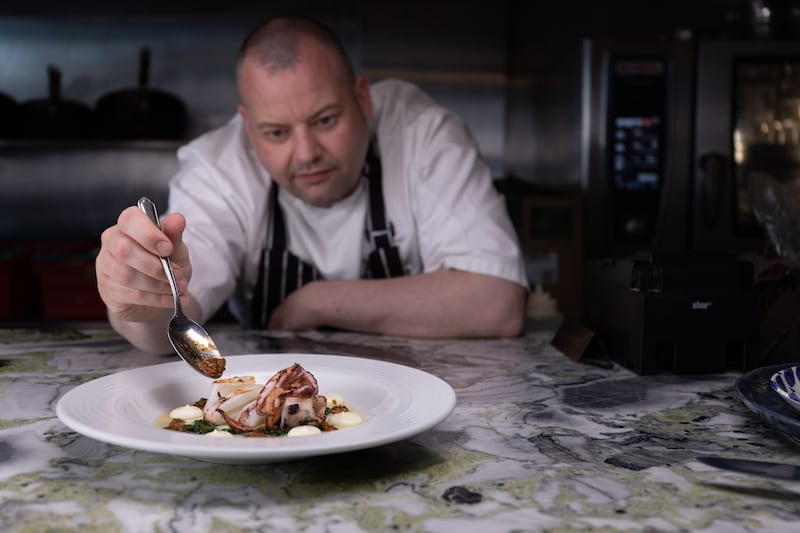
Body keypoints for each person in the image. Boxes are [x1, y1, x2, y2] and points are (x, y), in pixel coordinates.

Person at [95, 15, 529, 354]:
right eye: (276, 133)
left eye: (324, 120)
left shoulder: (422, 134)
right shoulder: (217, 166)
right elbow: (175, 319)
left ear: (362, 98)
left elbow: (497, 303)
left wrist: (318, 301)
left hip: (418, 395)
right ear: (248, 125)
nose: (305, 153)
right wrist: (138, 303)